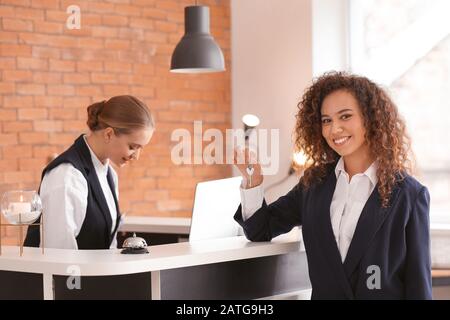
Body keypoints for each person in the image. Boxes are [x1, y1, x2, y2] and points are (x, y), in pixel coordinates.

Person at [233, 72, 432, 299]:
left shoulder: (409, 195)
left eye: (345, 116)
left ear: (371, 119)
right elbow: (261, 229)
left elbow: (418, 285)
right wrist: (253, 180)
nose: (334, 128)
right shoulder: (314, 183)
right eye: (326, 120)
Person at [25, 95, 155, 250]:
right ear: (108, 134)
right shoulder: (67, 176)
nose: (136, 156)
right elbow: (58, 254)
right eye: (133, 147)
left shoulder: (109, 174)